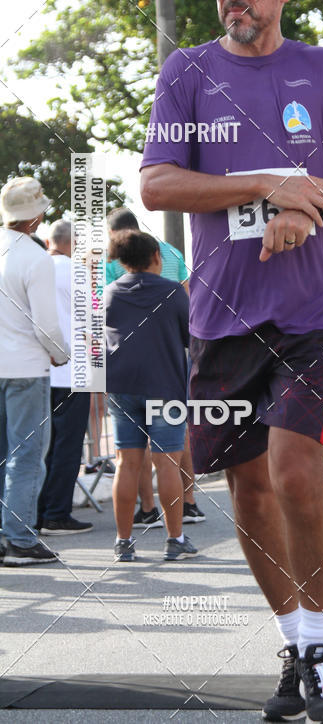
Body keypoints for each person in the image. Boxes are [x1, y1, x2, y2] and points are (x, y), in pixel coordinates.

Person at [140, 0, 323, 723]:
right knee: (248, 489)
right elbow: (157, 184)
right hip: (223, 318)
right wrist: (267, 184)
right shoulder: (186, 73)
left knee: (294, 473)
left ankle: (320, 646)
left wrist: (314, 203)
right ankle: (295, 641)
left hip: (310, 314)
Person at [106, 207, 204, 528]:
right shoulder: (173, 291)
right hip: (164, 383)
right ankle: (175, 538)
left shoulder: (109, 293)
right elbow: (192, 337)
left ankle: (123, 541)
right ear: (155, 257)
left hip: (122, 385)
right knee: (167, 463)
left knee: (126, 464)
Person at [0, 177, 69, 566]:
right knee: (25, 454)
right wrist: (60, 355)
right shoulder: (35, 257)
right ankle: (20, 539)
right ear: (36, 218)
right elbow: (46, 326)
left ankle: (4, 536)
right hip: (27, 366)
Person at [37, 220, 93, 535]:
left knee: (42, 446)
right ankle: (57, 514)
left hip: (39, 369)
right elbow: (93, 322)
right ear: (74, 244)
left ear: (50, 241)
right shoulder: (77, 272)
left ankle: (37, 511)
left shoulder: (34, 269)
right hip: (73, 370)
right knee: (68, 446)